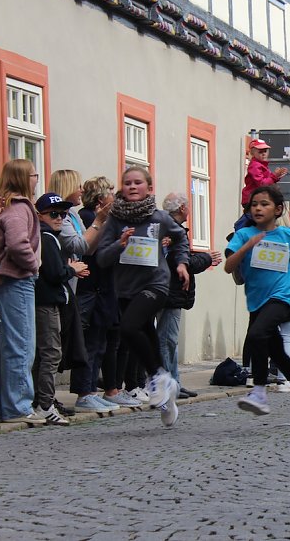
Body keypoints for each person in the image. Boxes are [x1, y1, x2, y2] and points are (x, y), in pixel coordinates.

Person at [97, 166, 191, 428]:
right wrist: (120, 244)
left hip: (156, 284)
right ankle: (166, 393)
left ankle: (157, 379)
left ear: (149, 188)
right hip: (126, 288)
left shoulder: (159, 217)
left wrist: (181, 263)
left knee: (128, 327)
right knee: (145, 333)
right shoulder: (114, 220)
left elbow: (180, 237)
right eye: (127, 183)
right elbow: (102, 258)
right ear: (122, 189)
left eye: (138, 182)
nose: (132, 186)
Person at [225, 185, 290, 415]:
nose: (258, 208)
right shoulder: (243, 235)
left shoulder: (286, 234)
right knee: (274, 348)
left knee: (257, 335)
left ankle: (259, 391)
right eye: (254, 204)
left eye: (264, 204)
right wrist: (248, 246)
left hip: (282, 295)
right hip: (256, 299)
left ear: (278, 209)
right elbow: (228, 266)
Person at [49, 169, 115, 413]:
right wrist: (99, 223)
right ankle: (80, 391)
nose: (80, 190)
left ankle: (89, 390)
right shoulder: (70, 216)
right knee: (75, 343)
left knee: (96, 342)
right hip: (82, 285)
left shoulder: (74, 215)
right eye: (77, 185)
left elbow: (85, 249)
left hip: (83, 283)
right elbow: (80, 245)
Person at [0, 158, 45, 425]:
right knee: (21, 345)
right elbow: (17, 243)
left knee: (5, 346)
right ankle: (18, 407)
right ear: (25, 178)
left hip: (2, 283)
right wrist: (33, 266)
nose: (37, 178)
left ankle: (6, 406)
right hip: (16, 280)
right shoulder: (19, 208)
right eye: (34, 174)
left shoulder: (2, 206)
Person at [76, 177, 140, 408]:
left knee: (104, 342)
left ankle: (99, 390)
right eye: (111, 192)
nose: (114, 196)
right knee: (93, 343)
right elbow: (93, 252)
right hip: (93, 287)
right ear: (102, 198)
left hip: (106, 287)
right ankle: (87, 391)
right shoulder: (89, 218)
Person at [32, 193, 90, 425]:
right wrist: (72, 269)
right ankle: (45, 403)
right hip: (46, 303)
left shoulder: (49, 237)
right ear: (40, 215)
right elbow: (54, 274)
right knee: (50, 353)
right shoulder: (46, 237)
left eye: (64, 214)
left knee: (45, 353)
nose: (59, 218)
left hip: (49, 301)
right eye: (54, 214)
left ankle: (42, 400)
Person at [158, 193, 222, 399]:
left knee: (170, 340)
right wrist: (205, 258)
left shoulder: (170, 230)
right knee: (167, 339)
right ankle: (168, 383)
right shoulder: (173, 232)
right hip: (170, 291)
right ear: (183, 208)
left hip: (170, 291)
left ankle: (174, 381)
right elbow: (182, 264)